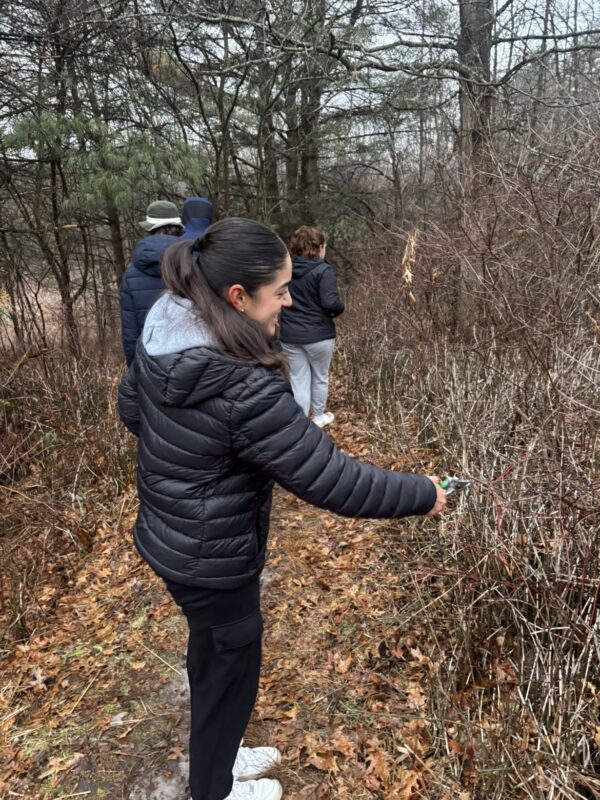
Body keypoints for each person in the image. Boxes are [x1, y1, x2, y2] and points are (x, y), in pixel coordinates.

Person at [118, 218, 446, 800]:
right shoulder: (238, 385)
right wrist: (425, 493)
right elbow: (334, 481)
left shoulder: (164, 331)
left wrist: (193, 457)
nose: (290, 301)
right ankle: (213, 788)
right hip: (213, 559)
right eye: (280, 291)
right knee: (231, 672)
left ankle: (219, 757)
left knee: (211, 658)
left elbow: (132, 410)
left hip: (172, 537)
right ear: (237, 297)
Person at [279, 226, 344, 428]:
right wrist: (339, 309)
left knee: (298, 378)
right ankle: (317, 418)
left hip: (290, 334)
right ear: (319, 247)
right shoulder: (323, 271)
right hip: (319, 334)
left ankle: (299, 423)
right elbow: (331, 303)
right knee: (319, 376)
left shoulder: (284, 269)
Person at [119, 200, 183, 366]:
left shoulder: (131, 274)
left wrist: (135, 373)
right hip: (196, 367)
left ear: (150, 229)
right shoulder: (196, 263)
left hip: (151, 366)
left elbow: (130, 333)